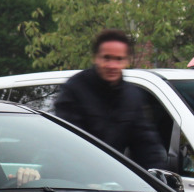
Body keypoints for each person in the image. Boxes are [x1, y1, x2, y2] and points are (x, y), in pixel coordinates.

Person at [53, 29, 168, 169]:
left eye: (119, 59)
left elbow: (147, 146)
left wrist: (158, 177)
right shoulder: (74, 90)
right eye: (107, 58)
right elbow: (66, 143)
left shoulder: (132, 97)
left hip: (115, 179)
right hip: (74, 175)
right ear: (96, 58)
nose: (112, 65)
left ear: (127, 61)